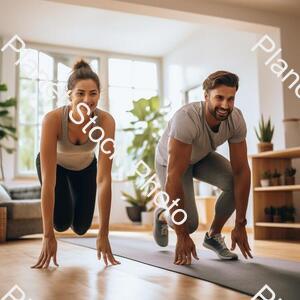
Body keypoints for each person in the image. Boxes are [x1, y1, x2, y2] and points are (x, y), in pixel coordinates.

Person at [154, 70, 253, 265]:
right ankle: (163, 215)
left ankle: (213, 235)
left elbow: (241, 170)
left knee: (234, 181)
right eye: (219, 98)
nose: (225, 105)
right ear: (206, 96)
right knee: (189, 224)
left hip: (200, 156)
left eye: (231, 99)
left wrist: (240, 223)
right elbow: (173, 177)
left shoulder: (236, 120)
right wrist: (182, 235)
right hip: (170, 163)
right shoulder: (186, 119)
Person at [32, 59, 120, 268]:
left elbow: (105, 179)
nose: (87, 99)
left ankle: (73, 198)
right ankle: (65, 203)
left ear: (99, 94)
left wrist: (104, 233)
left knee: (81, 227)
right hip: (57, 169)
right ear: (69, 94)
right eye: (80, 93)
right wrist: (47, 236)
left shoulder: (106, 121)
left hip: (85, 168)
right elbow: (49, 181)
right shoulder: (52, 119)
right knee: (61, 223)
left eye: (93, 93)